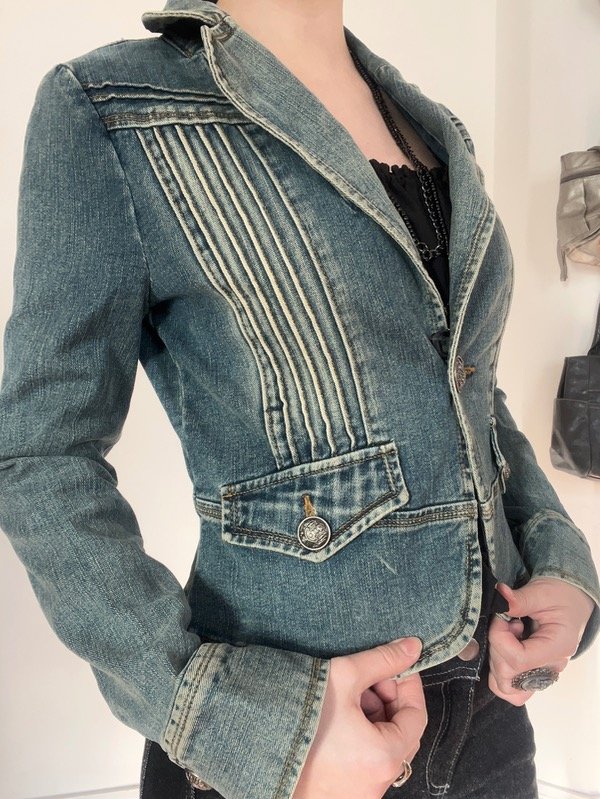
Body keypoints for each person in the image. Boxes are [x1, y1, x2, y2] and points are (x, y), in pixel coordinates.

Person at [0, 1, 598, 798]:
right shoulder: (114, 107)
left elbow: (469, 393)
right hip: (293, 740)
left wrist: (561, 564)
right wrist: (239, 726)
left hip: (491, 717)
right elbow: (41, 453)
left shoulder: (431, 125)